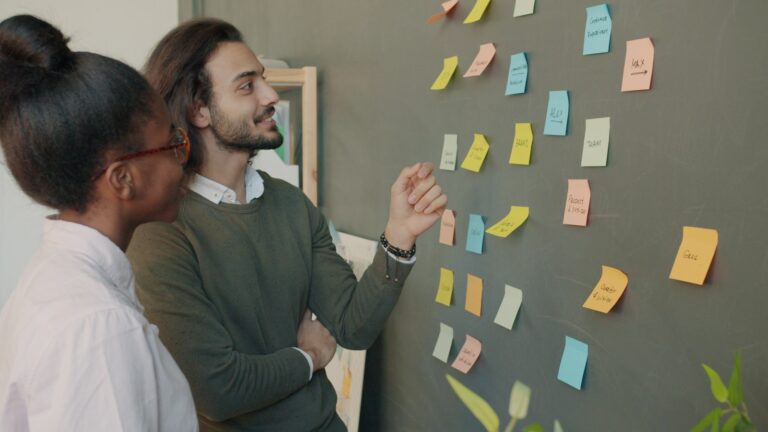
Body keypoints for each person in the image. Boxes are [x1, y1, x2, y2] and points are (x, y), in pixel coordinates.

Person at [127, 18, 448, 431]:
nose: (270, 95)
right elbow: (218, 390)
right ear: (198, 109)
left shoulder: (290, 203)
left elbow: (353, 326)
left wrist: (399, 236)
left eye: (264, 79)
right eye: (247, 86)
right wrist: (307, 358)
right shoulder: (160, 230)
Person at [0, 15, 197, 431]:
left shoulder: (54, 282)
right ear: (123, 179)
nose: (184, 159)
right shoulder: (99, 329)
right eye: (172, 143)